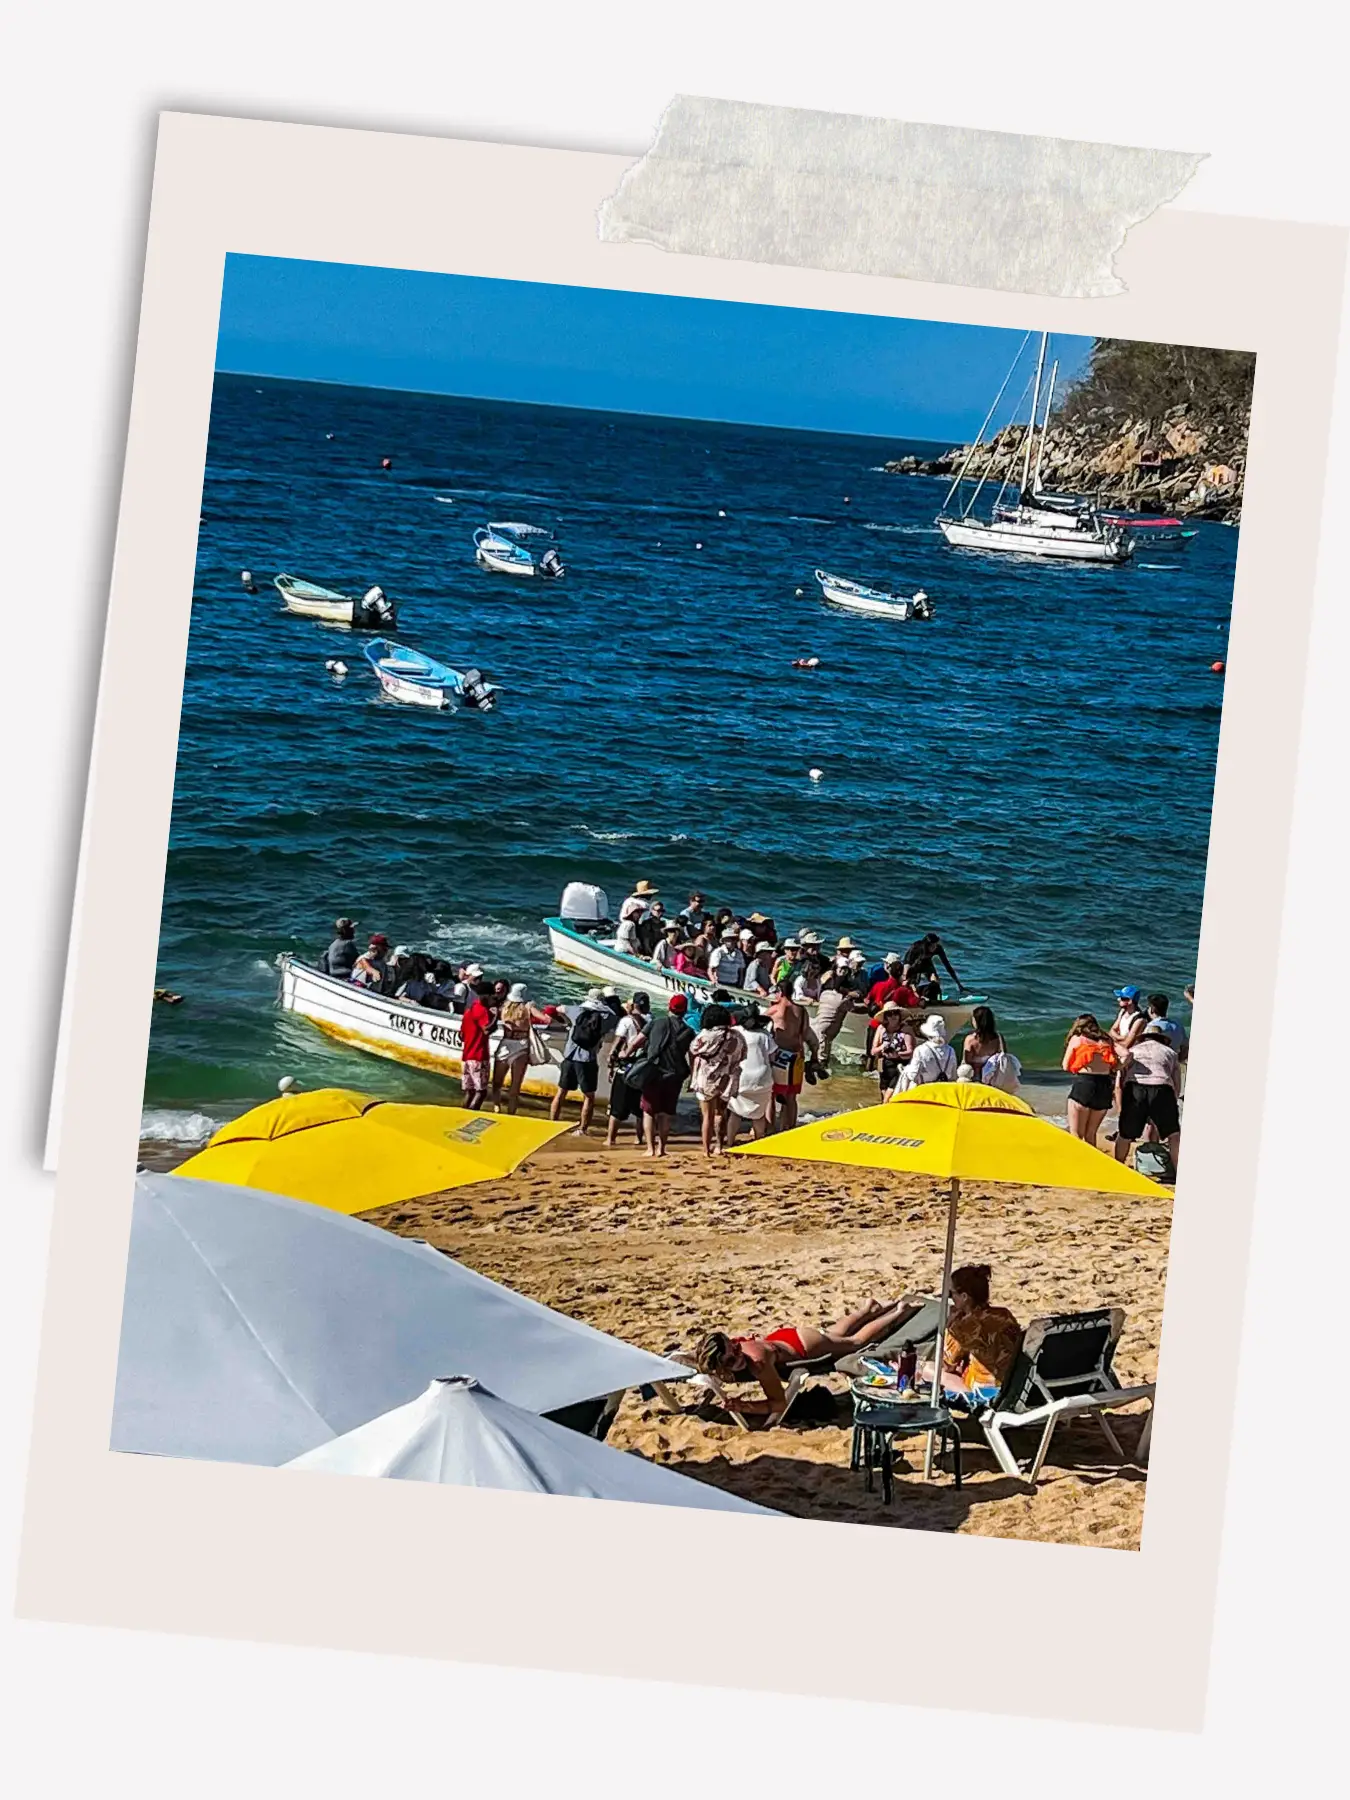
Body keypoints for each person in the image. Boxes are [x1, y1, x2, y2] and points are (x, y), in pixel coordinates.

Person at [694, 1299, 918, 1421]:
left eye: (735, 1351)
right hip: (782, 1338)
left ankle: (898, 1311)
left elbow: (778, 1403)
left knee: (854, 1342)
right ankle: (867, 1310)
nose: (737, 1359)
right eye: (730, 1361)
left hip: (803, 1347)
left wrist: (744, 1406)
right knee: (834, 1334)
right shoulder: (732, 1350)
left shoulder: (758, 1362)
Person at [919, 1265, 1022, 1400]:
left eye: (952, 1293)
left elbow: (946, 1366)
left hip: (983, 1390)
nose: (951, 1298)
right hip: (1013, 1384)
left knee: (928, 1369)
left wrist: (949, 1324)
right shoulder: (1004, 1315)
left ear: (964, 1296)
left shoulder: (963, 1326)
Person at [1115, 1022, 1182, 1169]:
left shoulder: (1132, 1050)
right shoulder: (1170, 1053)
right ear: (1161, 1039)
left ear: (1143, 1038)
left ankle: (1118, 1166)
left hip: (1135, 1088)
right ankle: (1178, 1170)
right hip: (1163, 1088)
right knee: (1173, 1135)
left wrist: (1121, 1108)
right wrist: (1171, 1103)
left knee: (1125, 1134)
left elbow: (1119, 1083)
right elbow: (1176, 1084)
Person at [549, 988, 612, 1135]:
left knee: (561, 1092)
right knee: (589, 1097)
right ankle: (582, 1129)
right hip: (587, 1059)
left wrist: (564, 1020)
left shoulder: (575, 1011)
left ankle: (552, 1123)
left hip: (569, 1056)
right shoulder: (606, 1017)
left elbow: (553, 1009)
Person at [639, 993, 695, 1157]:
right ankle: (662, 1148)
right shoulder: (688, 1031)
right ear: (685, 1011)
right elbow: (692, 1056)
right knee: (666, 1113)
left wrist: (623, 1054)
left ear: (668, 1007)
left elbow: (638, 1041)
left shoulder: (656, 1023)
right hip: (675, 1076)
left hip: (654, 1073)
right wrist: (693, 1076)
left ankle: (650, 1149)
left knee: (649, 1111)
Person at [688, 1001, 745, 1156]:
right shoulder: (737, 1035)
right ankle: (719, 1146)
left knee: (707, 1115)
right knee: (721, 1113)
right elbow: (742, 1055)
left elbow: (693, 1049)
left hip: (707, 1079)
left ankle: (706, 1150)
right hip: (727, 1079)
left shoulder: (706, 1035)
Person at [491, 982, 552, 1114]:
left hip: (506, 1044)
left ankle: (496, 1107)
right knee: (515, 1086)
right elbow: (547, 1020)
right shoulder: (528, 1007)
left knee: (497, 1082)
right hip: (521, 1045)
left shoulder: (504, 1006)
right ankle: (511, 1112)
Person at [767, 979, 819, 1131]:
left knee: (772, 1095)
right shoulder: (802, 1011)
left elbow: (757, 1022)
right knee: (791, 1097)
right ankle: (789, 1128)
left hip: (781, 1057)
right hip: (797, 1056)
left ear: (780, 992)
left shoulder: (776, 1010)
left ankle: (770, 1129)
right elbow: (808, 1035)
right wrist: (814, 1055)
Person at [1061, 1013, 1119, 1145]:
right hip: (1105, 1087)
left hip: (1085, 1084)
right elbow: (1127, 1054)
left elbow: (1065, 1066)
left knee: (1076, 1134)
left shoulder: (1078, 1039)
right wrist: (1116, 1067)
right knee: (1091, 1134)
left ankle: (1077, 1163)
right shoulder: (1106, 1040)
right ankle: (1091, 1164)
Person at [605, 992, 652, 1147]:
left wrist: (610, 1064)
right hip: (642, 1067)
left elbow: (618, 1043)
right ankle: (638, 1138)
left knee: (617, 1106)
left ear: (634, 1005)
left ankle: (610, 1139)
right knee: (639, 1107)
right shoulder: (650, 1021)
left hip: (625, 1067)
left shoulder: (626, 1021)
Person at [725, 1004, 775, 1145]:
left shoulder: (735, 1032)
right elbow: (772, 1056)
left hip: (741, 1077)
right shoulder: (764, 1035)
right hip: (762, 1077)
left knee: (735, 1112)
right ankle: (759, 1142)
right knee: (759, 1114)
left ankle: (729, 1142)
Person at [960, 1005, 1018, 1090]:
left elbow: (966, 1063)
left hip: (976, 1080)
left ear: (977, 1021)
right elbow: (1002, 1058)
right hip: (993, 1079)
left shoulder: (970, 1040)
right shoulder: (998, 1038)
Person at [459, 980, 495, 1110]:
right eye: (492, 996)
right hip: (479, 1056)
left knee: (470, 1091)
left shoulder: (469, 1010)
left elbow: (461, 1035)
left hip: (467, 1056)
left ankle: (463, 1112)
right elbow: (487, 1029)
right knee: (481, 1091)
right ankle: (472, 1114)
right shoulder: (483, 1011)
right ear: (486, 995)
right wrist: (496, 1016)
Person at [895, 1015, 957, 1089]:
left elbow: (913, 1075)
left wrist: (905, 1070)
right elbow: (953, 1076)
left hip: (925, 1090)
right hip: (944, 1090)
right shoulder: (951, 1050)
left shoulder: (921, 1050)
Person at [872, 1001, 917, 1099]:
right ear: (885, 1017)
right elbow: (873, 1051)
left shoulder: (906, 1029)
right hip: (884, 1066)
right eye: (889, 1014)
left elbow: (911, 1051)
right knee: (884, 1092)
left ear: (899, 1015)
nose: (893, 1016)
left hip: (900, 1066)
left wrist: (898, 1054)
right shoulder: (881, 1029)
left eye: (895, 1013)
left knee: (889, 1096)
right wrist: (882, 1047)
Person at [902, 931, 962, 1002]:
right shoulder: (916, 947)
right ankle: (910, 996)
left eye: (936, 945)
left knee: (936, 981)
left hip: (927, 963)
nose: (935, 947)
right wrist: (905, 977)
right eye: (933, 946)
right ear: (927, 945)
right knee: (910, 981)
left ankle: (935, 999)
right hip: (914, 964)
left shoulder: (938, 948)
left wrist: (958, 983)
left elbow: (947, 965)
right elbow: (907, 962)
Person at [1108, 985, 1149, 1059]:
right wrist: (1121, 1037)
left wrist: (1113, 1040)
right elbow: (1112, 1030)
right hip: (1120, 1048)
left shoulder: (1139, 1019)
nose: (1118, 999)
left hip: (1130, 1054)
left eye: (1122, 998)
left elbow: (1127, 1044)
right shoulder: (1123, 1012)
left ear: (1129, 1001)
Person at [1144, 993, 1188, 1061]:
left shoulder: (1152, 1026)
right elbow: (1185, 1048)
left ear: (1152, 1009)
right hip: (1172, 1061)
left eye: (1148, 1007)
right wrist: (1177, 1061)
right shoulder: (1178, 1025)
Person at [708, 925, 748, 991]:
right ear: (724, 941)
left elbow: (741, 971)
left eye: (733, 939)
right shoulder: (718, 952)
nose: (732, 942)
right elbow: (710, 969)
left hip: (734, 985)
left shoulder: (739, 953)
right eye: (729, 939)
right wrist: (713, 980)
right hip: (720, 984)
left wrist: (740, 985)